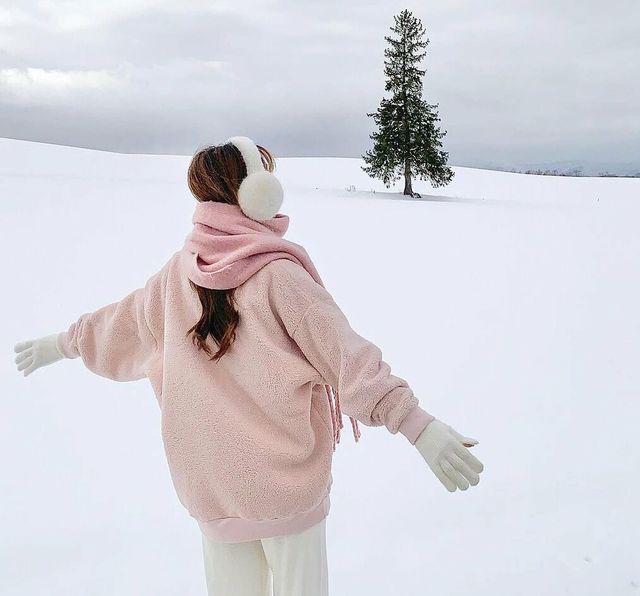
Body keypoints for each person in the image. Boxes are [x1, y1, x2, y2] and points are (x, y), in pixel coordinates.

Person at [14, 135, 484, 596]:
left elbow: (119, 325)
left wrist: (62, 343)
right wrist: (417, 424)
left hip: (211, 489)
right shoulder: (280, 276)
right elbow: (348, 358)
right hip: (286, 489)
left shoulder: (177, 274)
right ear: (252, 194)